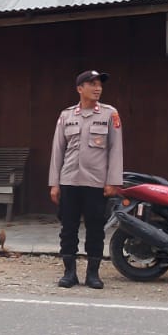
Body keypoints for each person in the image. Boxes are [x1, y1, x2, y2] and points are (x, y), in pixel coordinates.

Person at [48, 69, 123, 289]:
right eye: (92, 84)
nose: (97, 88)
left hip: (96, 183)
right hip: (69, 181)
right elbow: (57, 151)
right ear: (80, 89)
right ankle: (69, 273)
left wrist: (113, 181)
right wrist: (54, 183)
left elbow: (115, 149)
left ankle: (93, 274)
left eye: (99, 84)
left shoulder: (110, 114)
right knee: (68, 228)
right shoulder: (66, 115)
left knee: (95, 228)